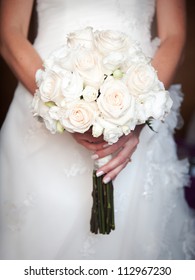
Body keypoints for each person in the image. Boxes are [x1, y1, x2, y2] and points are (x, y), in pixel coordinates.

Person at [0, 0, 194, 260]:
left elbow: (174, 35)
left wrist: (135, 113)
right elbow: (10, 31)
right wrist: (58, 105)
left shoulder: (138, 107)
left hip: (139, 88)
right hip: (41, 88)